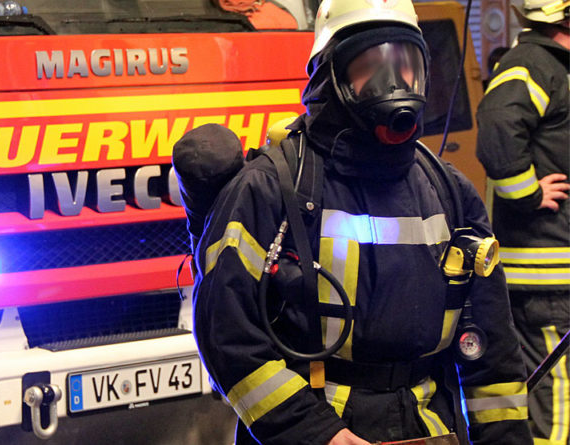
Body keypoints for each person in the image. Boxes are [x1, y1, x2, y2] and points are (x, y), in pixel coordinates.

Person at [188, 0, 535, 443]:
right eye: (370, 66)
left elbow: (493, 355)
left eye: (406, 65)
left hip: (426, 430)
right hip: (315, 426)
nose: (394, 83)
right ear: (330, 77)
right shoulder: (272, 188)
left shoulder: (450, 193)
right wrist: (317, 433)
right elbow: (228, 334)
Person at [475, 1, 570, 443]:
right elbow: (497, 129)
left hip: (556, 271)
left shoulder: (552, 67)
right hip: (546, 274)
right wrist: (528, 193)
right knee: (558, 397)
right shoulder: (532, 65)